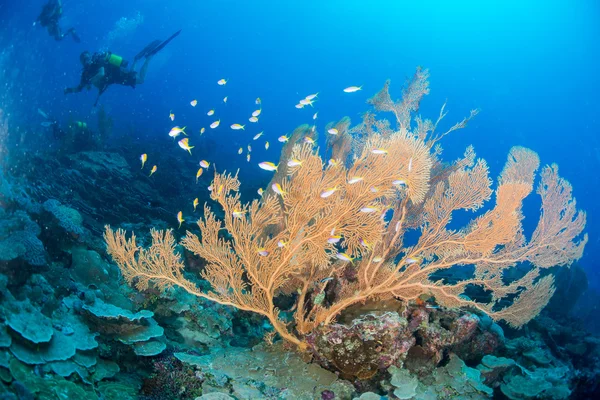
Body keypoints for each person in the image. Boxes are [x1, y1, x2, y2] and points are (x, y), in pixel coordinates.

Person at [64, 30, 181, 106]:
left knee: (140, 80)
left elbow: (101, 73)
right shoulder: (85, 74)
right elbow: (79, 88)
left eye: (87, 58)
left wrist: (91, 81)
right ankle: (136, 59)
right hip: (116, 77)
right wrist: (69, 90)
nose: (86, 61)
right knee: (132, 74)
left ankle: (148, 57)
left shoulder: (97, 62)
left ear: (89, 57)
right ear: (82, 62)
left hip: (117, 74)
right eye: (84, 60)